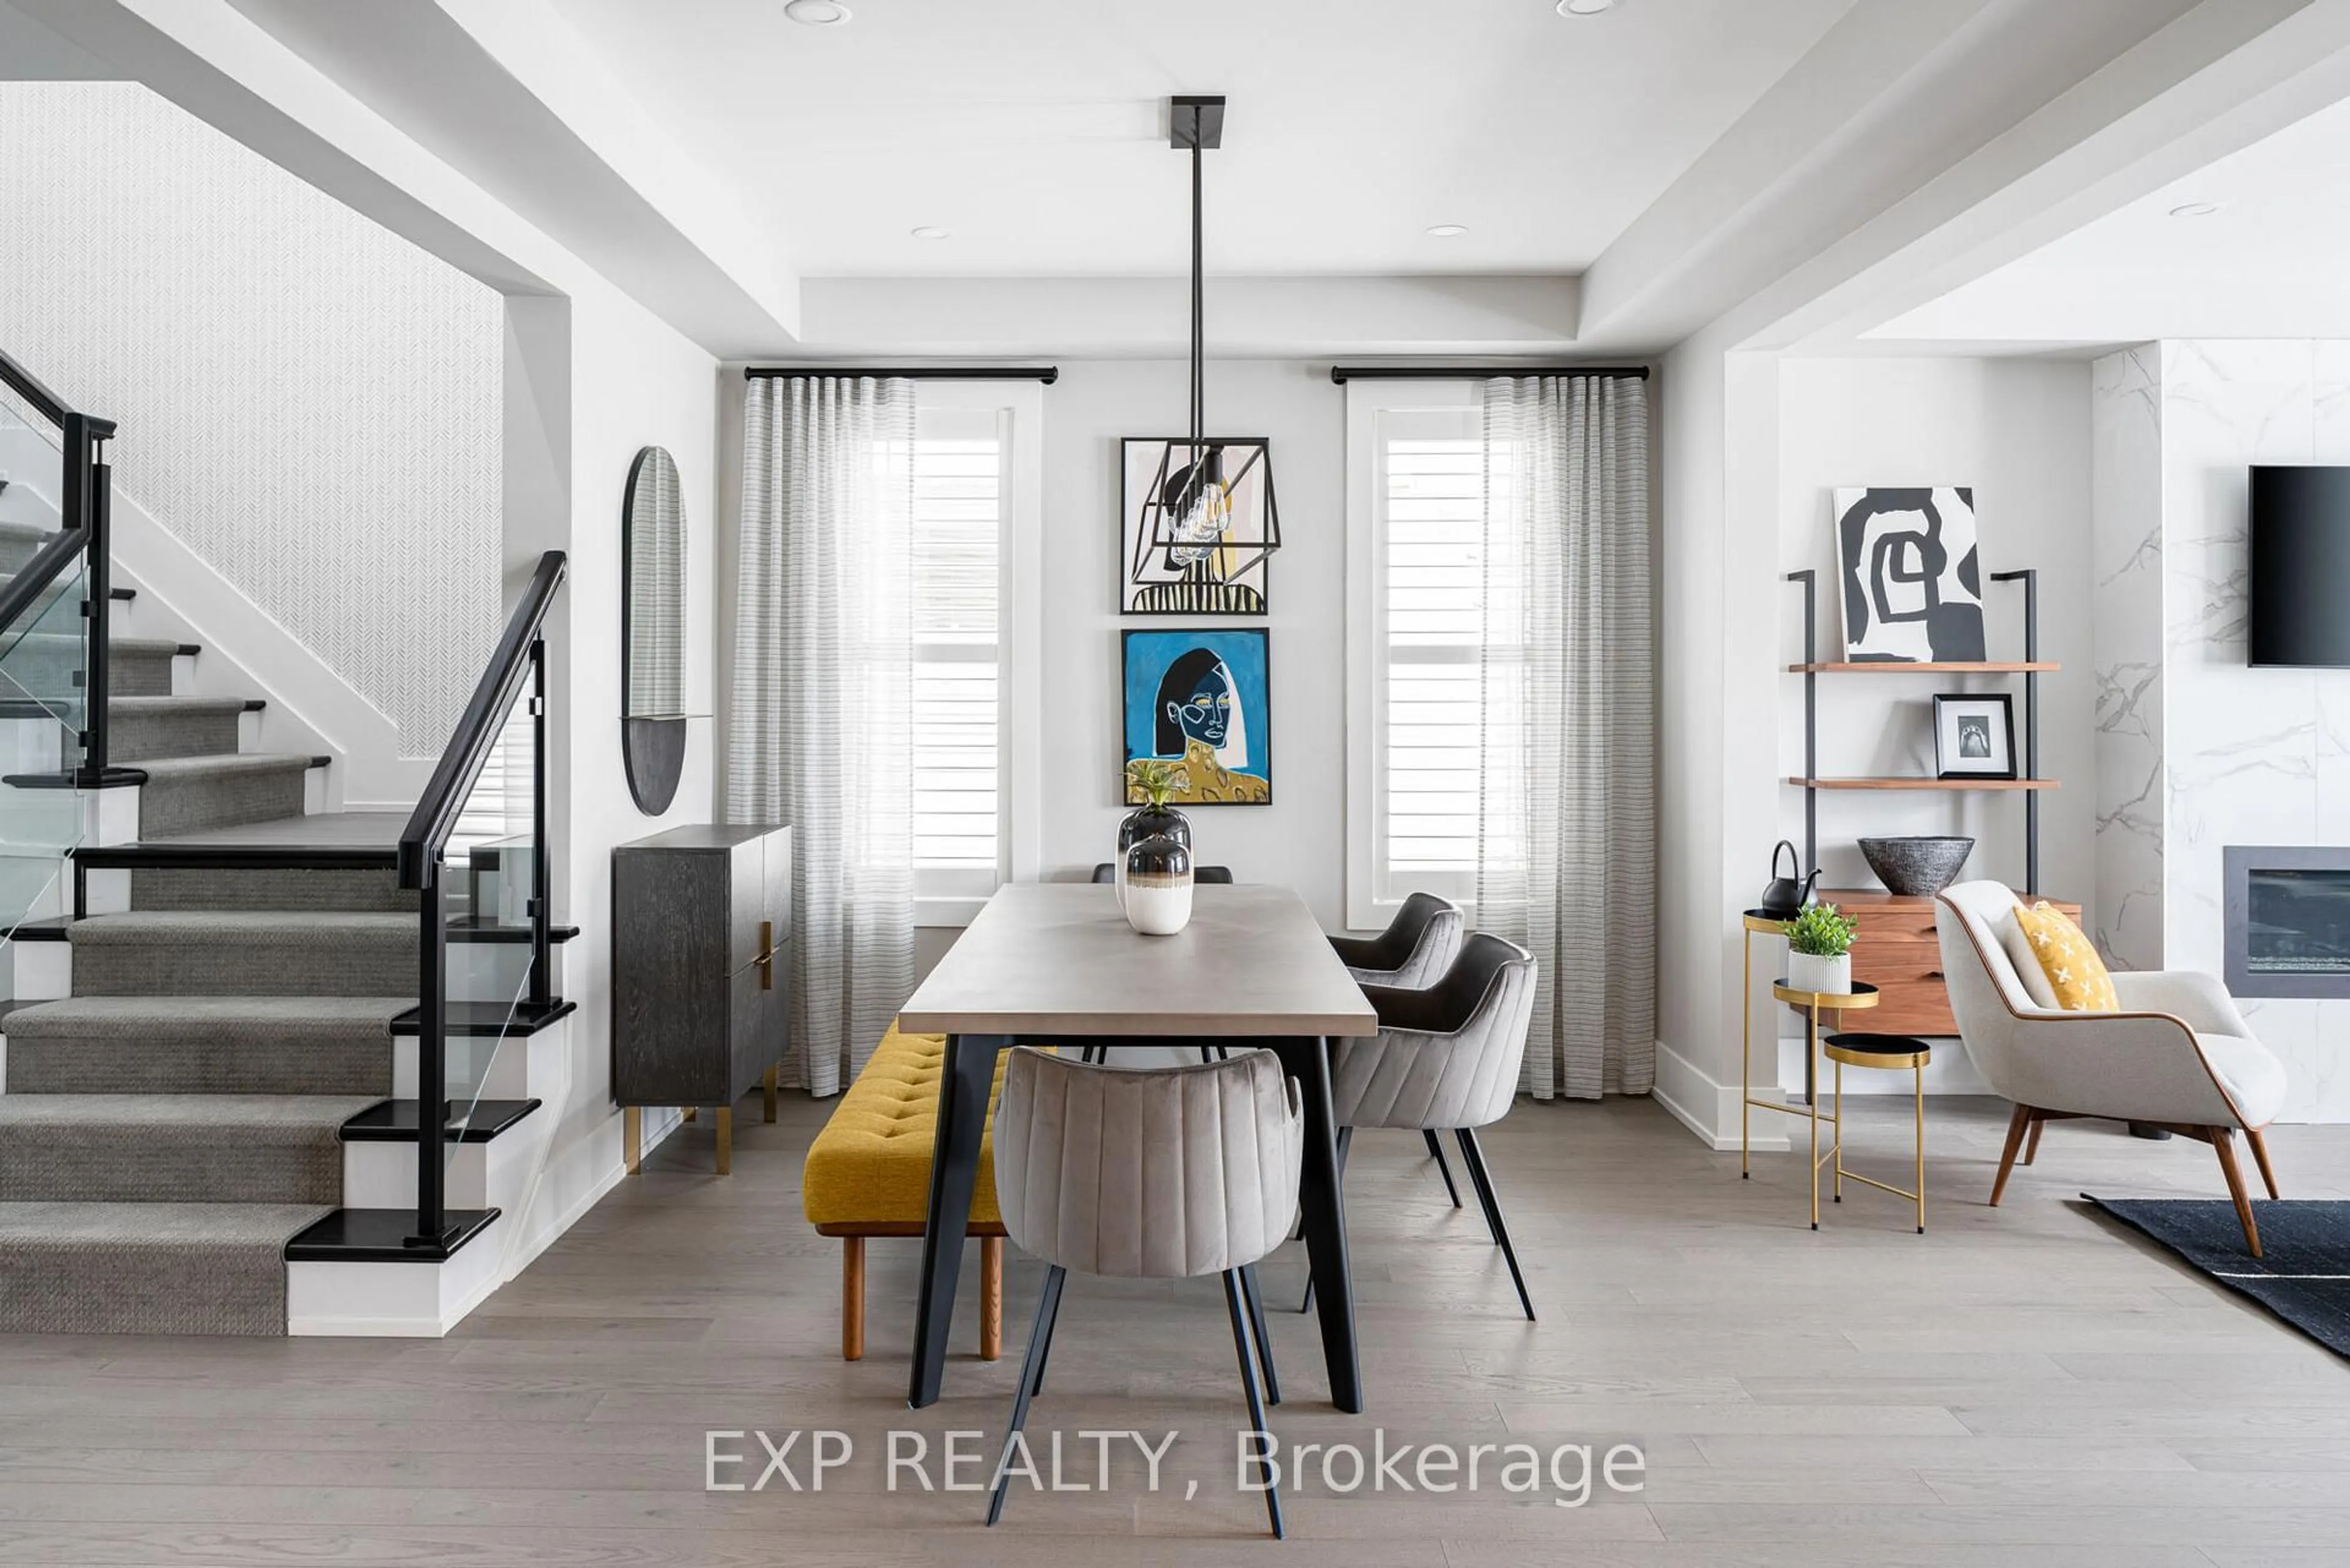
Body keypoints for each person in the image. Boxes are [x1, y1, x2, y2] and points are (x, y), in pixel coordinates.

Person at [1135, 646, 1269, 804]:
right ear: (1174, 712)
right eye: (1204, 703)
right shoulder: (1147, 781)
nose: (1217, 718)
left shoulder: (1255, 789)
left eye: (1224, 702)